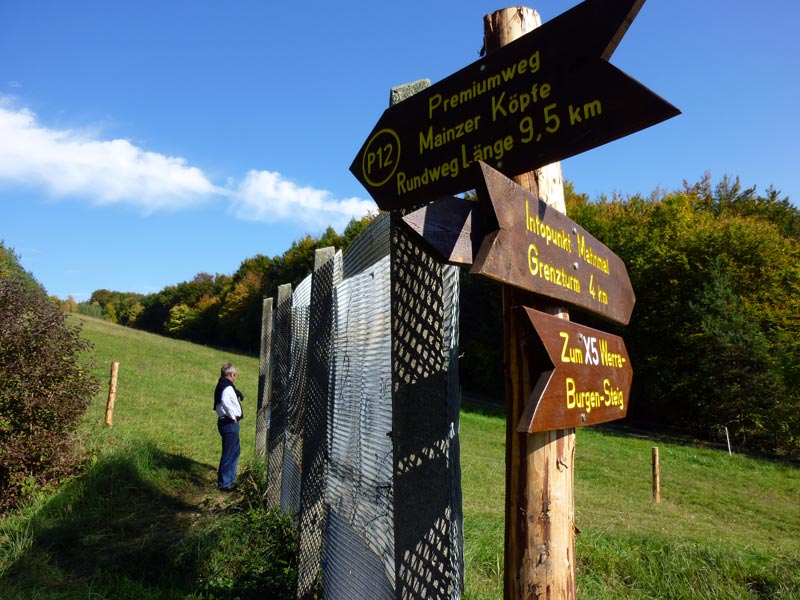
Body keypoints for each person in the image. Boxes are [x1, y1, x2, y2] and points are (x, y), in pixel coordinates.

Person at [213, 362, 243, 491]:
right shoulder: (226, 387)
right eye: (235, 375)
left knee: (235, 451)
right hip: (229, 423)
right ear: (230, 375)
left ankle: (231, 479)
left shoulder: (223, 384)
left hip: (227, 422)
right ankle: (225, 483)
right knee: (229, 452)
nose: (235, 378)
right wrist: (233, 416)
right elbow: (225, 401)